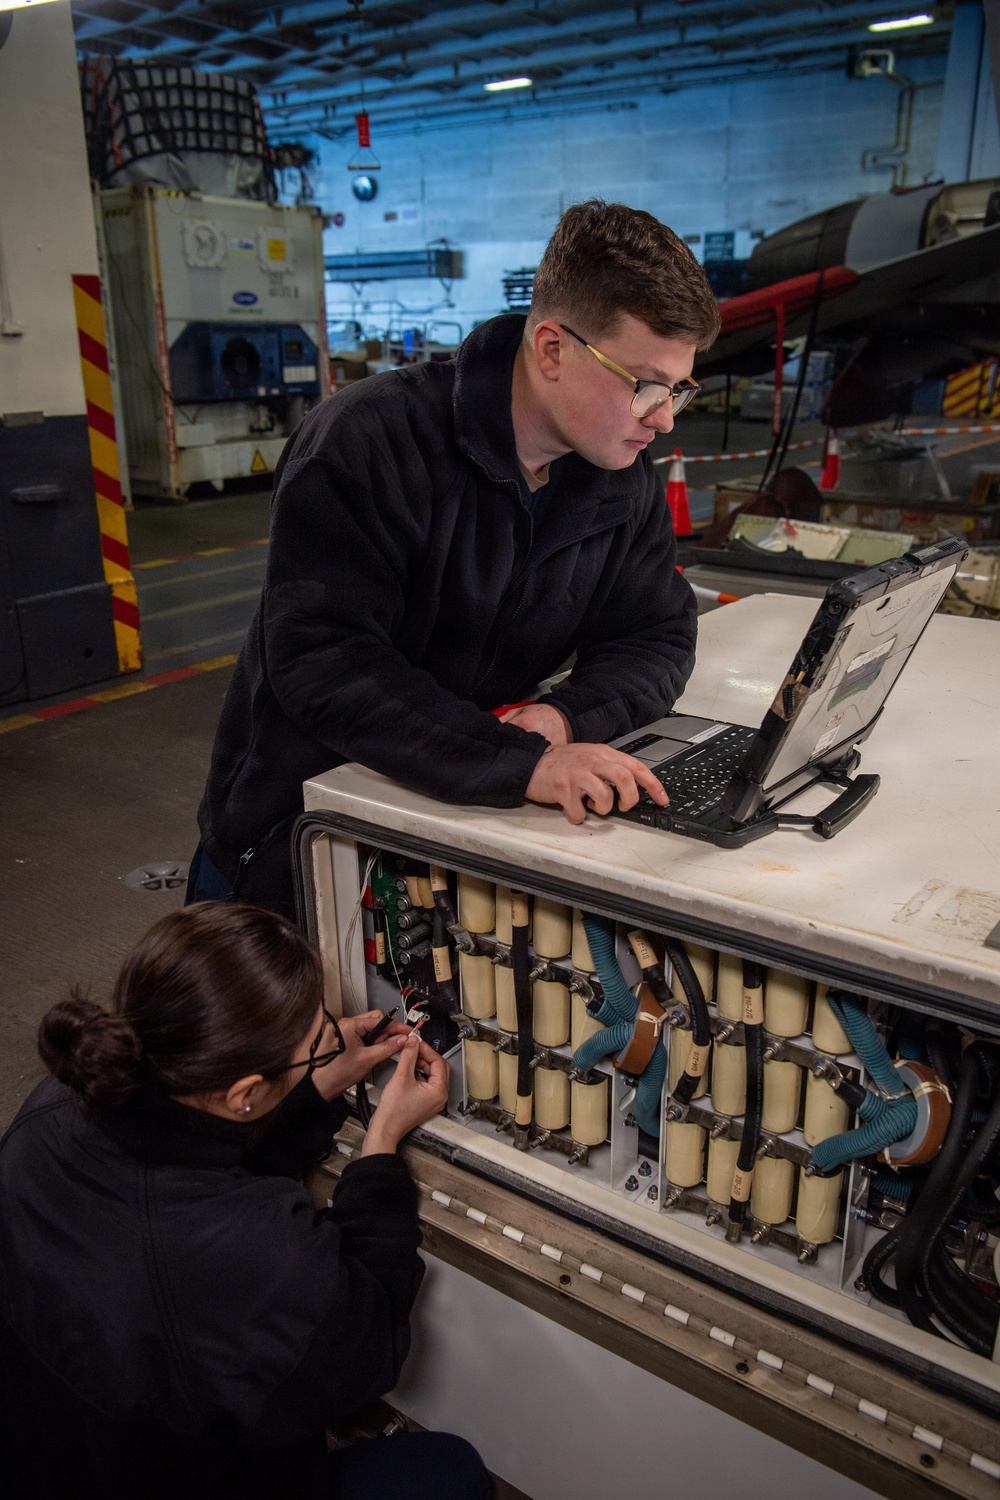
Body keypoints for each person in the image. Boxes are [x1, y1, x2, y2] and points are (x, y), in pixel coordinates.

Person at [189, 200, 721, 916]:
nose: (663, 418)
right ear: (553, 350)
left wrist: (563, 720)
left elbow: (655, 633)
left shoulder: (618, 478)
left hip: (452, 837)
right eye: (646, 385)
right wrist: (517, 763)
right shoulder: (366, 443)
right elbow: (325, 660)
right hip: (300, 840)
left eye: (681, 388)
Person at [0, 902, 488, 1500]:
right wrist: (381, 1145)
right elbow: (366, 1349)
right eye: (318, 1041)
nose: (331, 1041)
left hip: (56, 1454)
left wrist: (311, 1088)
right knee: (451, 1471)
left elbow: (187, 1160)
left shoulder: (54, 1103)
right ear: (244, 1095)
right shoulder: (249, 1246)